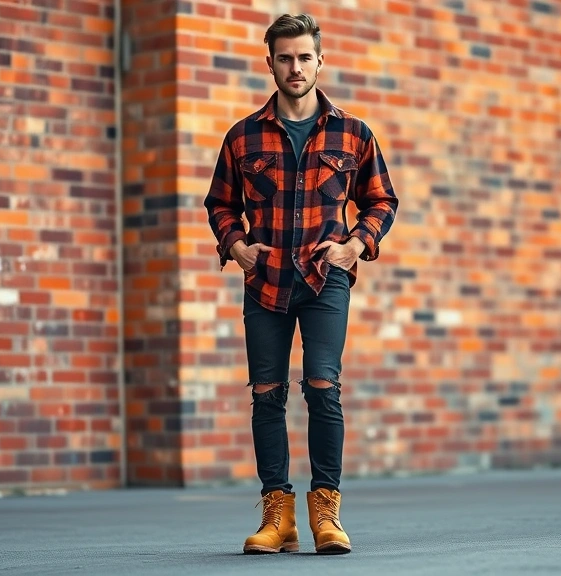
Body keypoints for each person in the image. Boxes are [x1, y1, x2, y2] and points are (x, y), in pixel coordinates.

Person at [203, 13, 398, 555]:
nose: (295, 67)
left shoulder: (353, 133)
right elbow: (220, 204)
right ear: (269, 62)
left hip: (324, 280)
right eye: (284, 57)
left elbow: (381, 200)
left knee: (322, 389)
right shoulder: (242, 137)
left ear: (319, 60)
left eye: (304, 57)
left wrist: (354, 246)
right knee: (266, 396)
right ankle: (278, 518)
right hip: (264, 280)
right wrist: (236, 245)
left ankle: (327, 514)